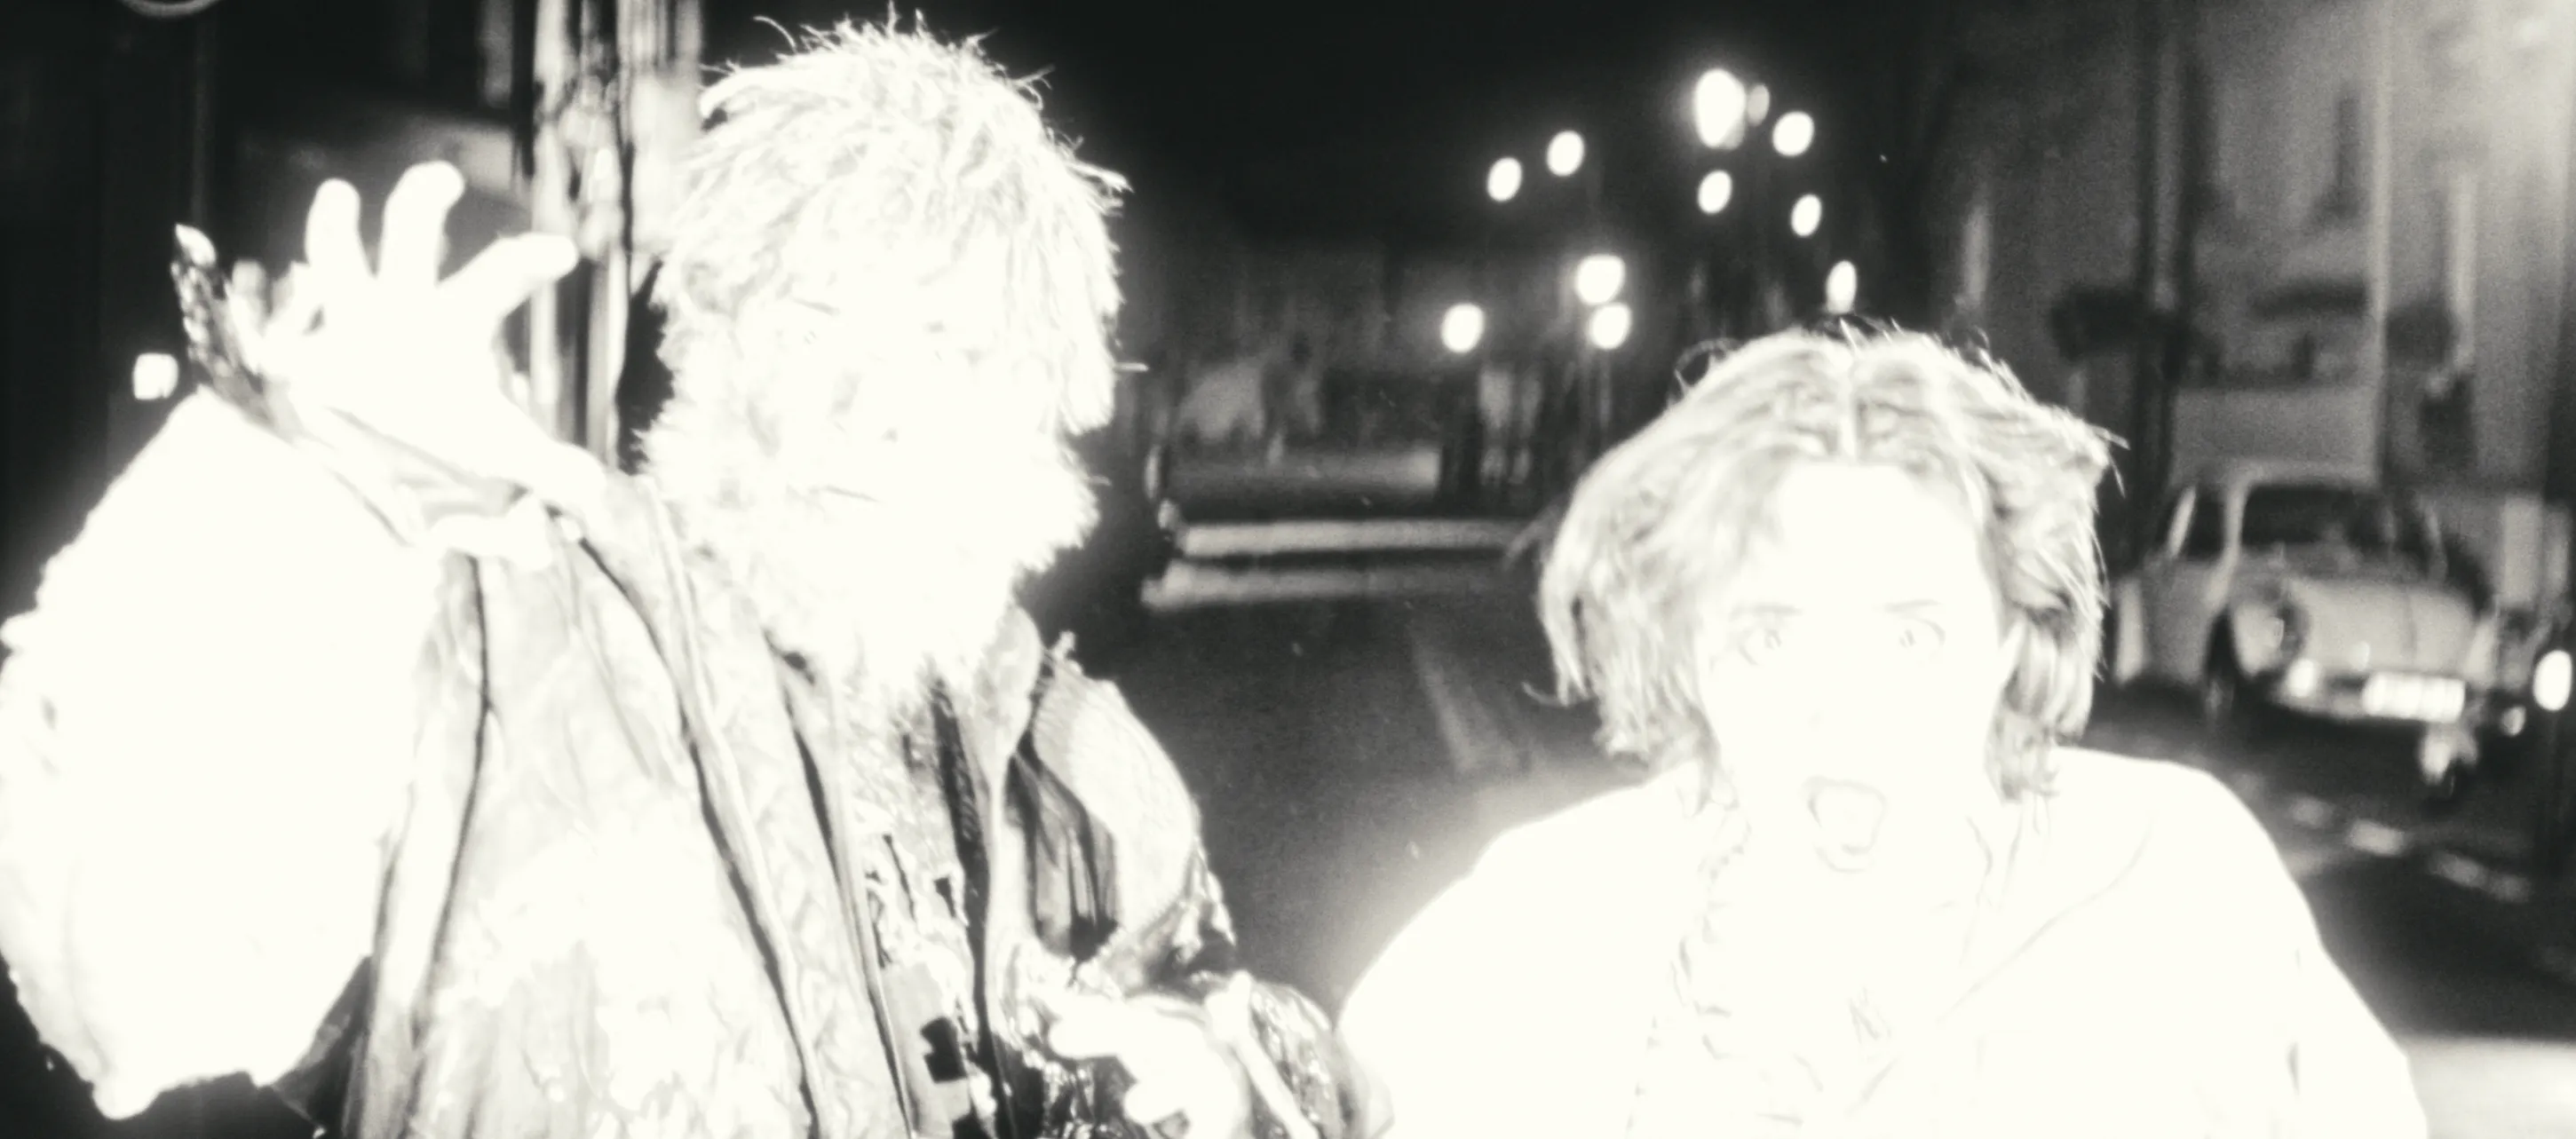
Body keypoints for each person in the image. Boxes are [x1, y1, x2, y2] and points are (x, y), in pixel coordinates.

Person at [0, 21, 1359, 1139]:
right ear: (716, 338)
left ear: (1034, 408)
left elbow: (1229, 1008)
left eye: (948, 350)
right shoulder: (512, 643)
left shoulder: (1077, 766)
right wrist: (302, 498)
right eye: (816, 321)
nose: (871, 410)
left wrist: (1230, 1073)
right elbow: (129, 980)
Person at [1341, 327, 2428, 1138]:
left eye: (1909, 636)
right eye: (1770, 636)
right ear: (1689, 654)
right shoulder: (1548, 915)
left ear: (2012, 639)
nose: (1840, 704)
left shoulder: (2173, 876)